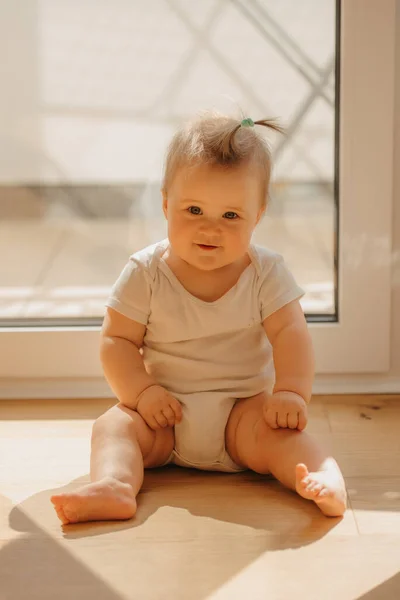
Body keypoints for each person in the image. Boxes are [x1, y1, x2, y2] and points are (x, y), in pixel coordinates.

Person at [51, 112, 347, 524]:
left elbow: (291, 333)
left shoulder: (265, 272)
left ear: (257, 215)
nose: (211, 229)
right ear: (166, 203)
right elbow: (116, 340)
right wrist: (140, 393)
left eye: (231, 216)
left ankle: (323, 478)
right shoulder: (145, 272)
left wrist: (292, 392)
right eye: (194, 210)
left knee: (286, 438)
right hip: (163, 417)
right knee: (113, 426)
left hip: (241, 415)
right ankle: (116, 485)